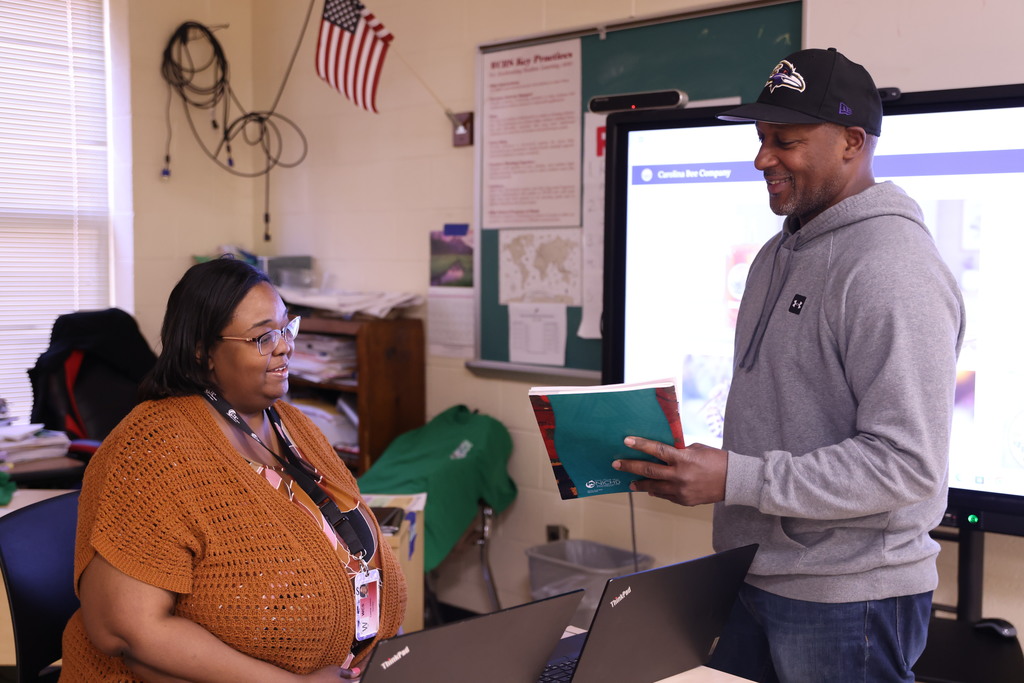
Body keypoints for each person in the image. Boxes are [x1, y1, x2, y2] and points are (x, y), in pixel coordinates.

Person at [612, 48, 966, 682]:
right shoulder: (776, 254)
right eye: (760, 138)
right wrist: (702, 470)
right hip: (755, 574)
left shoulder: (892, 267)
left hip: (849, 597)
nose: (761, 158)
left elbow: (908, 464)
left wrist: (736, 479)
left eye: (787, 141)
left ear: (852, 142)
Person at [60, 257, 407, 682]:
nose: (284, 347)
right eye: (263, 337)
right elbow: (126, 629)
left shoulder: (290, 423)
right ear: (202, 352)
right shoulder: (155, 449)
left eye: (286, 328)